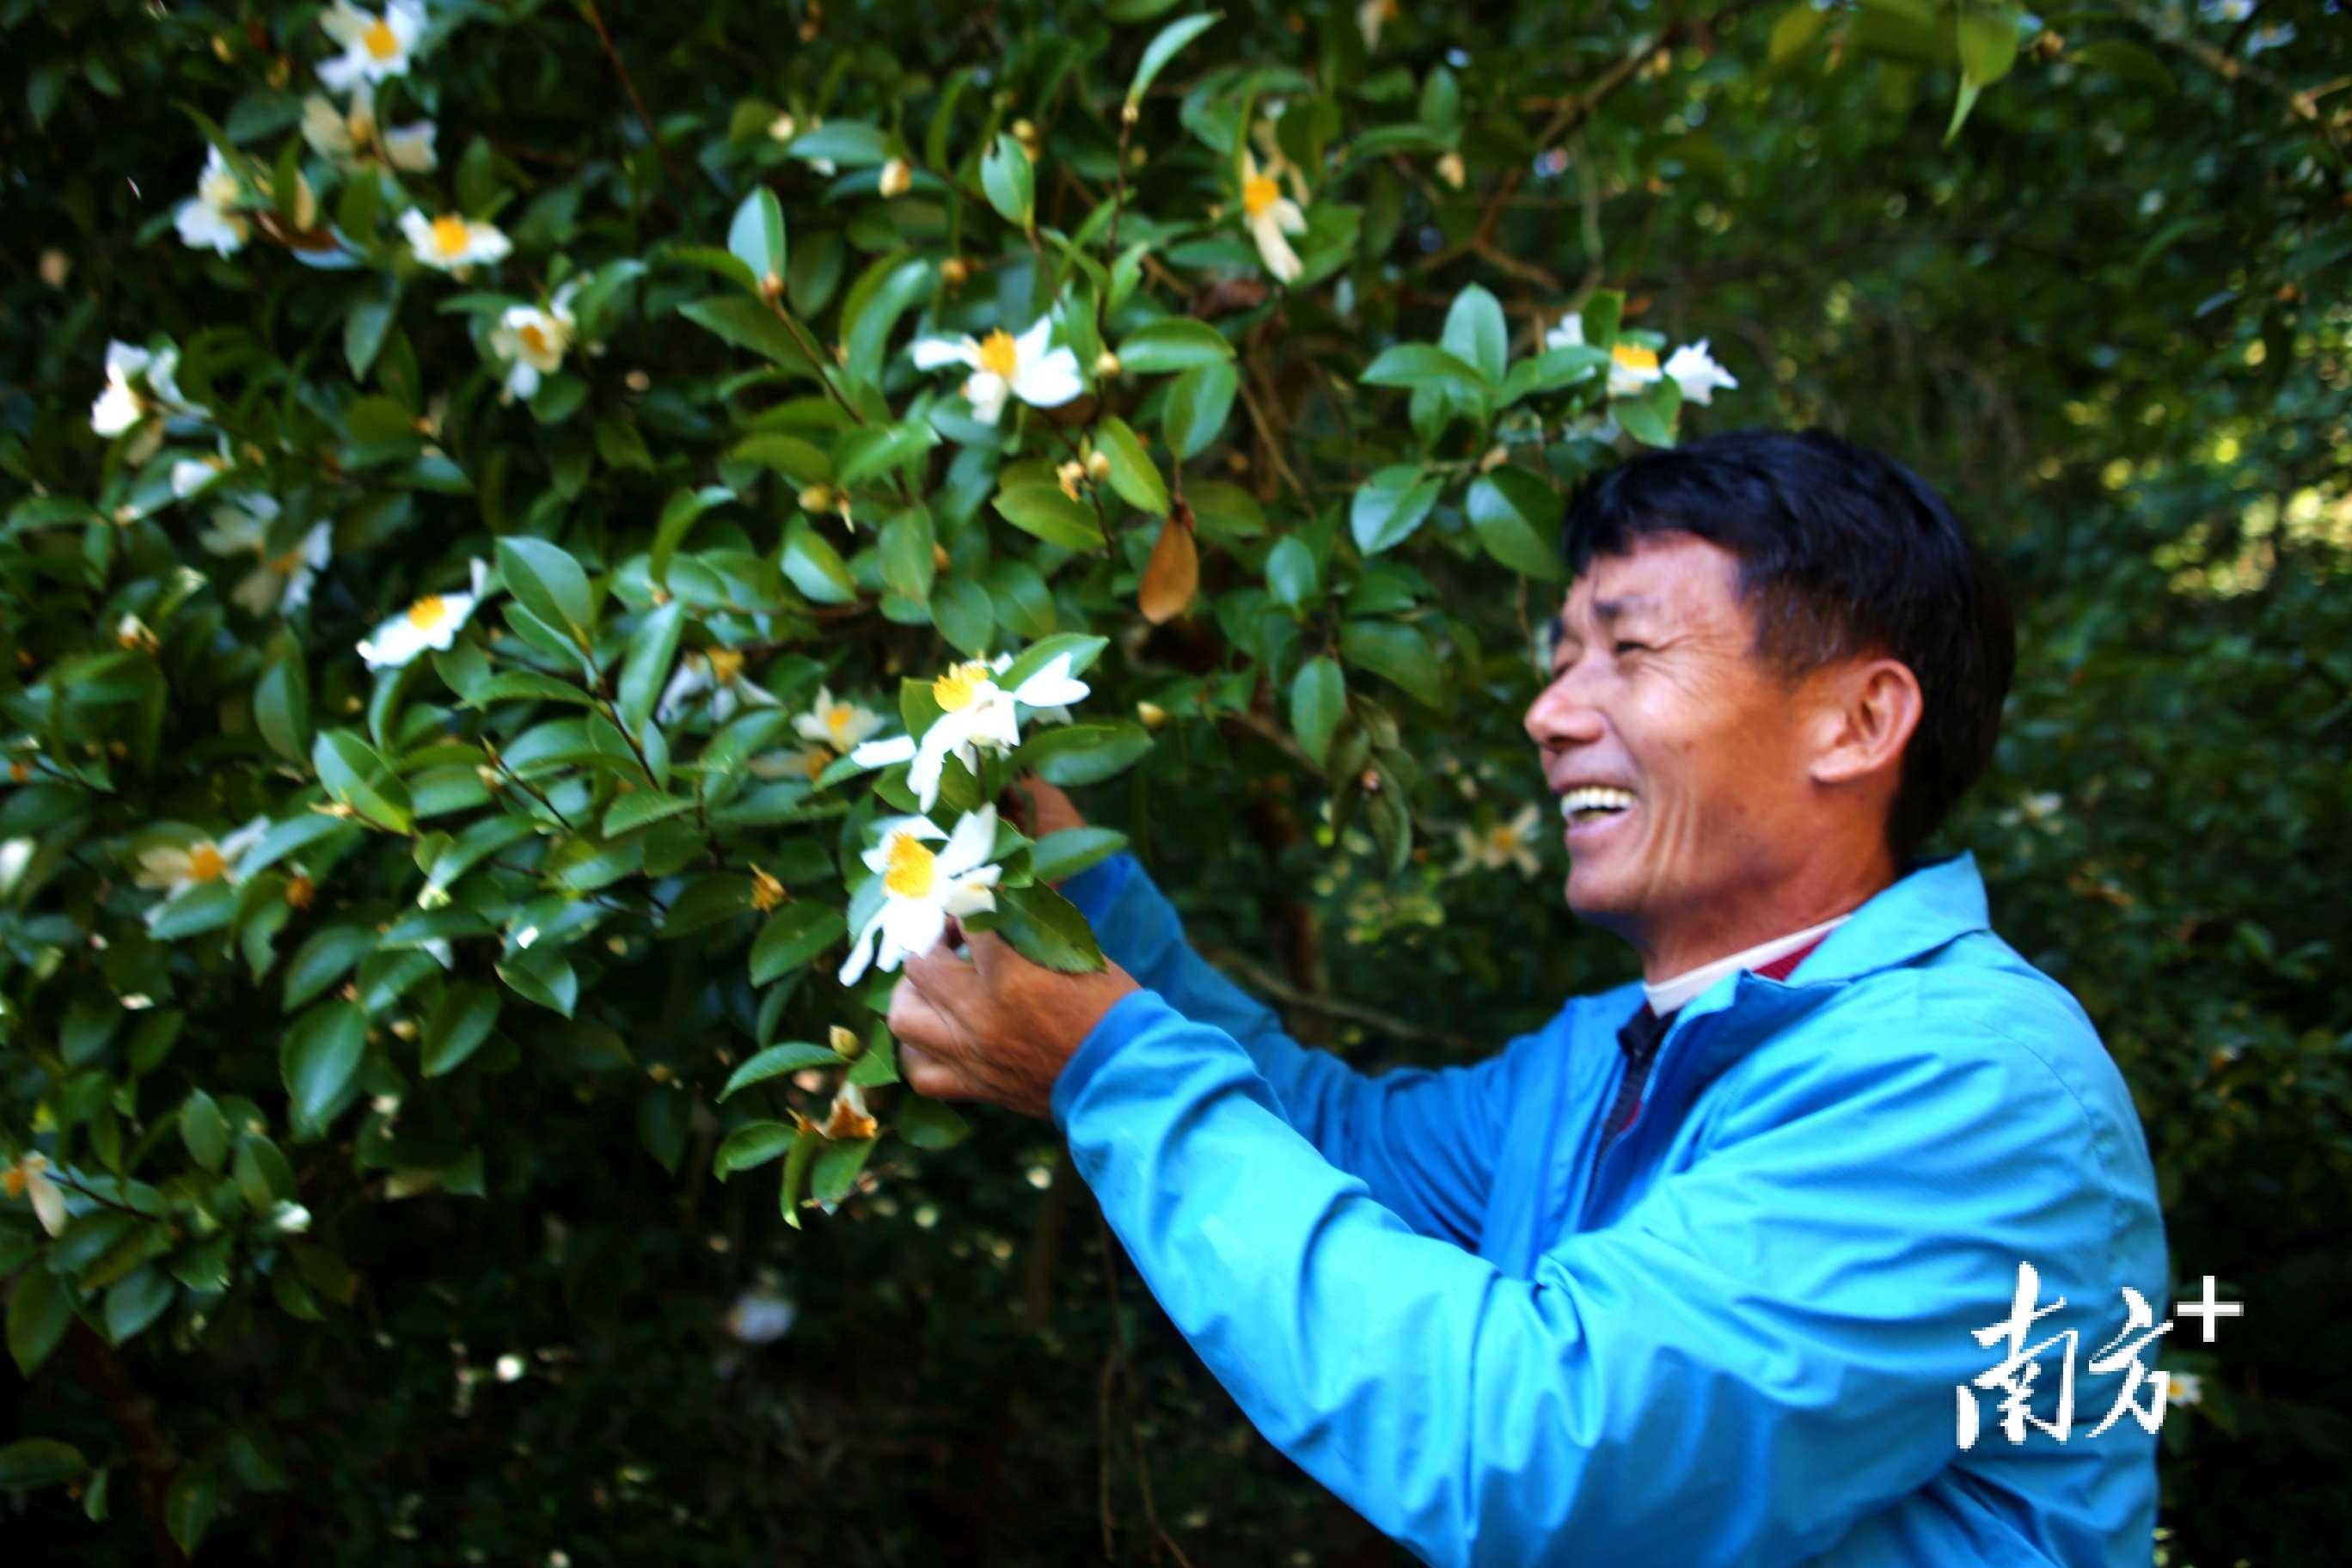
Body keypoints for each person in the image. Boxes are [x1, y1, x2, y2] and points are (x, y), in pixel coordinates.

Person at [882, 426, 2170, 1566]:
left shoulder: (1970, 1083)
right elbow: (1335, 1149)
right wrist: (1069, 889)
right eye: (1560, 661)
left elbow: (1545, 1455)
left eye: (1629, 652)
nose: (1550, 714)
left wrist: (1107, 1068)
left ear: (1857, 721)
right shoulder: (1610, 1055)